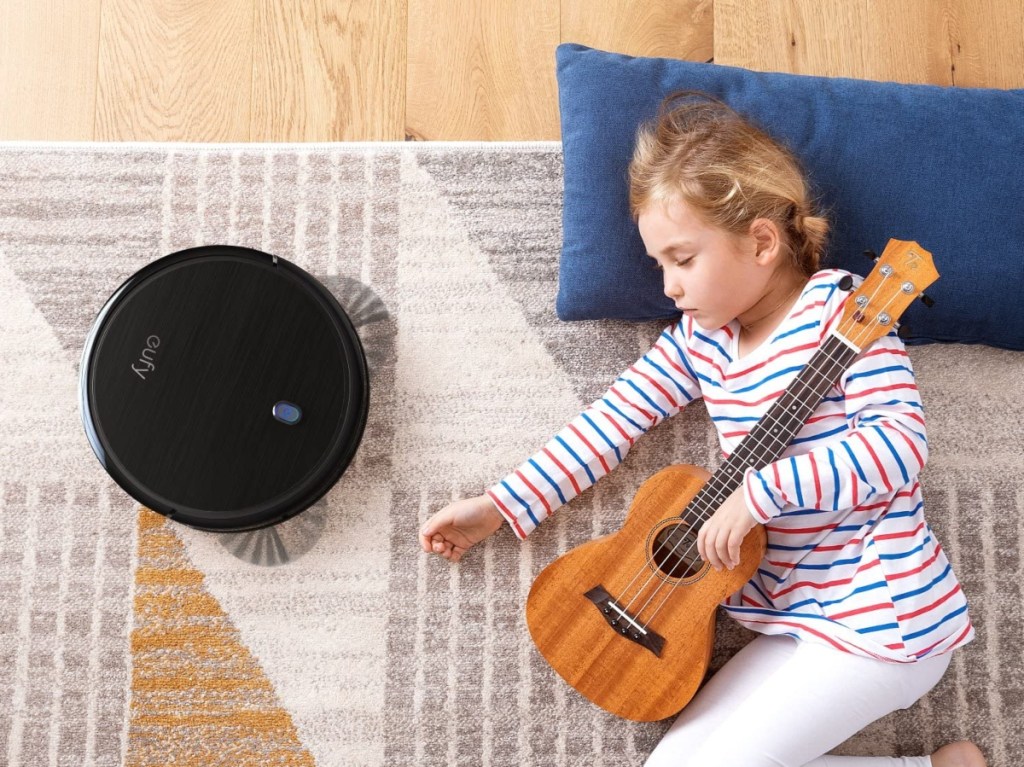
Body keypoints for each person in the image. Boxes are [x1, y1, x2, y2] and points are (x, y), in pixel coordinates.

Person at [418, 92, 986, 767]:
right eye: (659, 264)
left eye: (682, 260)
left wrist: (757, 496)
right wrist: (501, 505)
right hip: (787, 618)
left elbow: (898, 445)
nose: (668, 286)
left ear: (763, 242)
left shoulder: (847, 312)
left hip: (883, 616)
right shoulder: (701, 341)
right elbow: (612, 420)